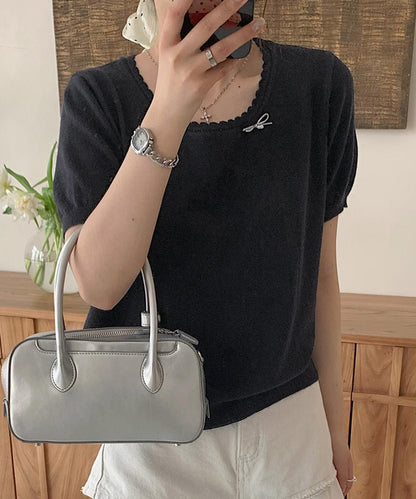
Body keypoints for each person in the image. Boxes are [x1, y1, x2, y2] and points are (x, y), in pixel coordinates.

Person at [53, 0, 359, 497]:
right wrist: (169, 109)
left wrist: (334, 432)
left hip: (290, 432)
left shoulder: (319, 85)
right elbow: (101, 287)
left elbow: (322, 277)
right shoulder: (98, 98)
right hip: (148, 436)